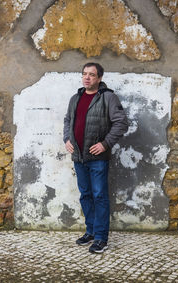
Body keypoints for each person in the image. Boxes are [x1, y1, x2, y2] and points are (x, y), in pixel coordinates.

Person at [63, 62, 128, 253]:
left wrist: (105, 144)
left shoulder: (108, 97)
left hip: (97, 157)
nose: (87, 78)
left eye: (91, 75)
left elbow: (121, 123)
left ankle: (101, 238)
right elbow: (68, 120)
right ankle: (90, 231)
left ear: (99, 78)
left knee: (99, 196)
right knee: (86, 195)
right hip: (78, 156)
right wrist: (67, 138)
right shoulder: (76, 98)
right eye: (84, 74)